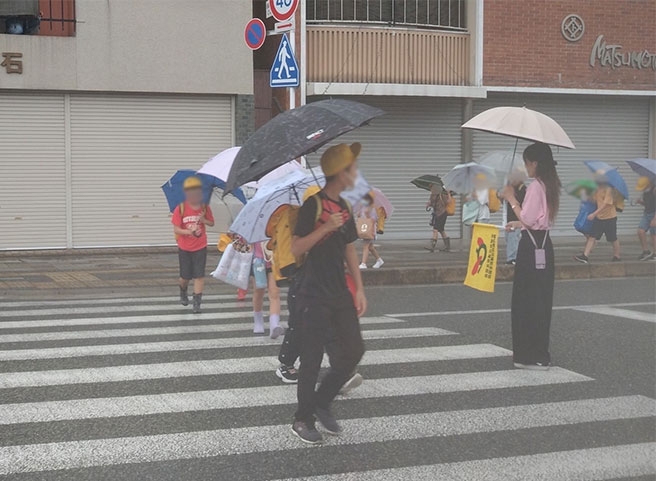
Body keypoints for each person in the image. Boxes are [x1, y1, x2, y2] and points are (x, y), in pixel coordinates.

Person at [290, 142, 367, 444]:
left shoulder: (345, 207)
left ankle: (321, 400)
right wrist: (324, 228)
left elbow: (349, 247)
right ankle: (301, 419)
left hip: (338, 291)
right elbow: (296, 248)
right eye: (352, 168)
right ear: (340, 172)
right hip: (312, 293)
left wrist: (359, 287)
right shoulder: (313, 205)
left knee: (354, 350)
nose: (356, 173)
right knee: (311, 360)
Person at [503, 142, 560, 371]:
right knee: (541, 300)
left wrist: (511, 198)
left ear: (535, 163)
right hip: (544, 244)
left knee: (525, 301)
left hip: (531, 247)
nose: (525, 168)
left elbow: (528, 218)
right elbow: (537, 220)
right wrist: (519, 223)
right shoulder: (551, 183)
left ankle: (529, 355)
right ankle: (539, 353)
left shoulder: (536, 186)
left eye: (527, 163)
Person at [171, 176, 215, 314]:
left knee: (199, 275)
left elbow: (212, 223)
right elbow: (176, 229)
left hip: (200, 246)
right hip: (184, 247)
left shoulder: (204, 207)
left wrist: (203, 219)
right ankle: (183, 290)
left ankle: (197, 303)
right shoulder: (181, 208)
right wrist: (188, 231)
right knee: (185, 277)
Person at [574, 180, 622, 264]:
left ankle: (617, 256)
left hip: (609, 217)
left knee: (612, 238)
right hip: (599, 218)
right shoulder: (598, 189)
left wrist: (594, 214)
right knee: (592, 236)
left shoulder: (609, 189)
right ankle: (585, 256)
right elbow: (595, 201)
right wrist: (587, 196)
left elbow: (606, 204)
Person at [251, 242, 283, 339]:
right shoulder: (253, 228)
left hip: (274, 260)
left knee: (274, 292)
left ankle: (274, 324)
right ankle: (258, 320)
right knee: (258, 292)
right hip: (258, 261)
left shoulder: (273, 227)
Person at [499, 170, 527, 265]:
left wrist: (511, 197)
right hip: (509, 218)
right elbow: (499, 196)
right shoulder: (510, 188)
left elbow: (519, 203)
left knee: (513, 238)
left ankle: (512, 258)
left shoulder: (523, 189)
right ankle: (512, 257)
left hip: (517, 218)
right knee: (509, 238)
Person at [358, 193, 384, 269]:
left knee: (366, 246)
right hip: (365, 228)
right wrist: (360, 209)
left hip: (371, 230)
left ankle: (363, 263)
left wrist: (368, 214)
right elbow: (359, 216)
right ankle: (379, 260)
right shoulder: (363, 207)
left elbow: (374, 219)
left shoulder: (373, 207)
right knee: (370, 247)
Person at [425, 184, 452, 253]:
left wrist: (448, 193)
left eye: (431, 188)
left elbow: (448, 202)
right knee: (441, 230)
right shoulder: (432, 195)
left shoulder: (442, 195)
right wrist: (428, 204)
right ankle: (447, 246)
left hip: (442, 214)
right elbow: (433, 204)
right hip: (437, 214)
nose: (431, 189)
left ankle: (432, 246)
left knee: (435, 229)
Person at [635, 176, 656, 261]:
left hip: (654, 214)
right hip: (647, 213)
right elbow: (648, 203)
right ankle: (645, 251)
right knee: (641, 231)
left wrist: (655, 219)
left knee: (653, 234)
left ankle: (655, 254)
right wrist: (641, 202)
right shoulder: (645, 192)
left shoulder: (654, 190)